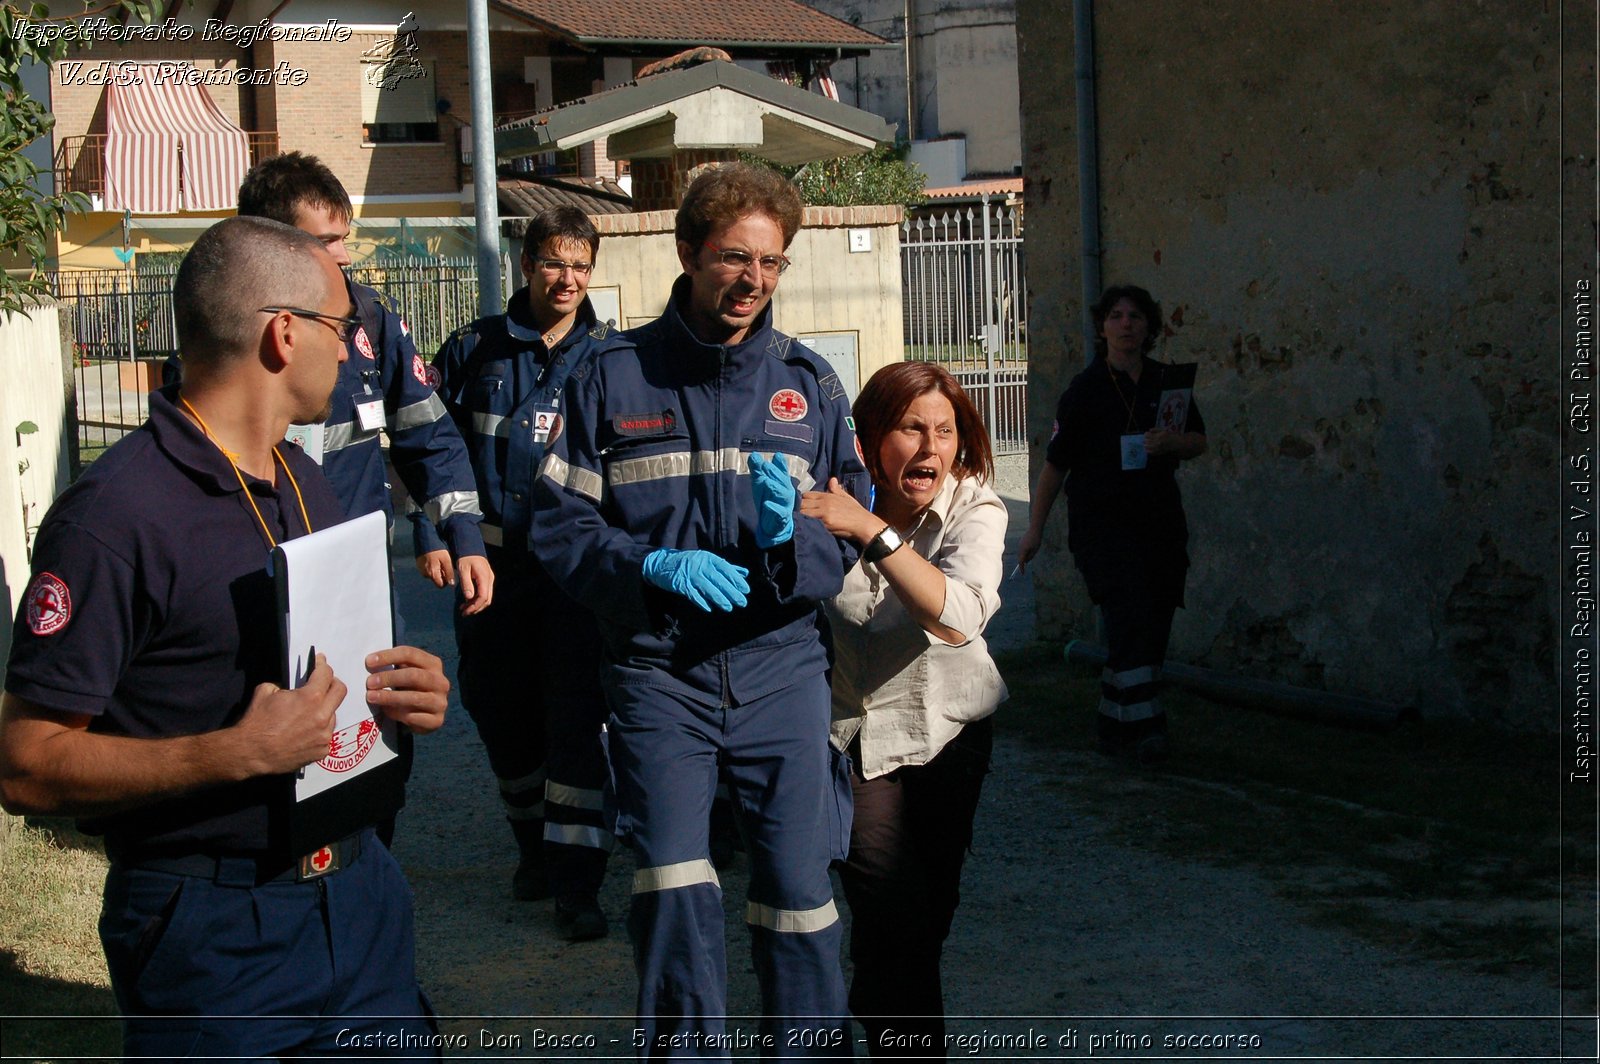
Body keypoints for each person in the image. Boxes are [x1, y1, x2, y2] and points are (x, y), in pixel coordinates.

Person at [0, 217, 451, 1058]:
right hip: (211, 928)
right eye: (341, 325)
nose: (355, 348)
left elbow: (324, 684)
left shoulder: (304, 477)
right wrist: (231, 753)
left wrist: (399, 696)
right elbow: (24, 763)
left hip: (360, 903)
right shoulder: (115, 517)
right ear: (284, 333)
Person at [531, 163, 868, 1057]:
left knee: (799, 890)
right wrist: (651, 564)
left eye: (772, 262)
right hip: (658, 671)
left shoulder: (812, 385)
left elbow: (849, 529)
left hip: (781, 667)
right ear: (687, 253)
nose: (753, 280)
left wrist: (791, 541)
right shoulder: (609, 375)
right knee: (675, 887)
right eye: (733, 257)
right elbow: (559, 526)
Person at [413, 206, 616, 939]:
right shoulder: (472, 349)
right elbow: (428, 449)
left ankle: (577, 884)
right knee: (503, 718)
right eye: (556, 263)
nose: (568, 279)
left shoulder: (612, 357)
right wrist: (430, 528)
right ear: (527, 265)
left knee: (575, 728)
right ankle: (531, 846)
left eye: (581, 266)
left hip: (575, 582)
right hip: (489, 576)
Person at [799, 361, 1008, 1059]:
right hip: (854, 739)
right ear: (868, 435)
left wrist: (871, 533)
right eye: (911, 428)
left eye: (945, 431)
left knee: (929, 918)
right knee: (895, 919)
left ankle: (878, 997)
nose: (930, 448)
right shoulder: (827, 499)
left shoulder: (974, 504)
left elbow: (959, 617)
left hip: (949, 731)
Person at [233, 152, 493, 616]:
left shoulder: (370, 319)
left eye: (344, 239)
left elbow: (428, 436)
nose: (344, 256)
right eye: (325, 241)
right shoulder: (225, 333)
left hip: (361, 577)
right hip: (256, 583)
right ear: (272, 244)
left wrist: (463, 535)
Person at [1017, 284, 1207, 763]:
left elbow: (1198, 440)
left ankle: (1113, 723)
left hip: (1160, 523)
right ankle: (1149, 732)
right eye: (1117, 316)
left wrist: (1173, 445)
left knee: (1153, 622)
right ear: (1102, 328)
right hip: (1103, 527)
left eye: (1136, 316)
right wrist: (1034, 530)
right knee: (1129, 621)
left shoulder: (1168, 381)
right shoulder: (1085, 390)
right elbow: (1055, 466)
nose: (1127, 324)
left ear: (1149, 326)